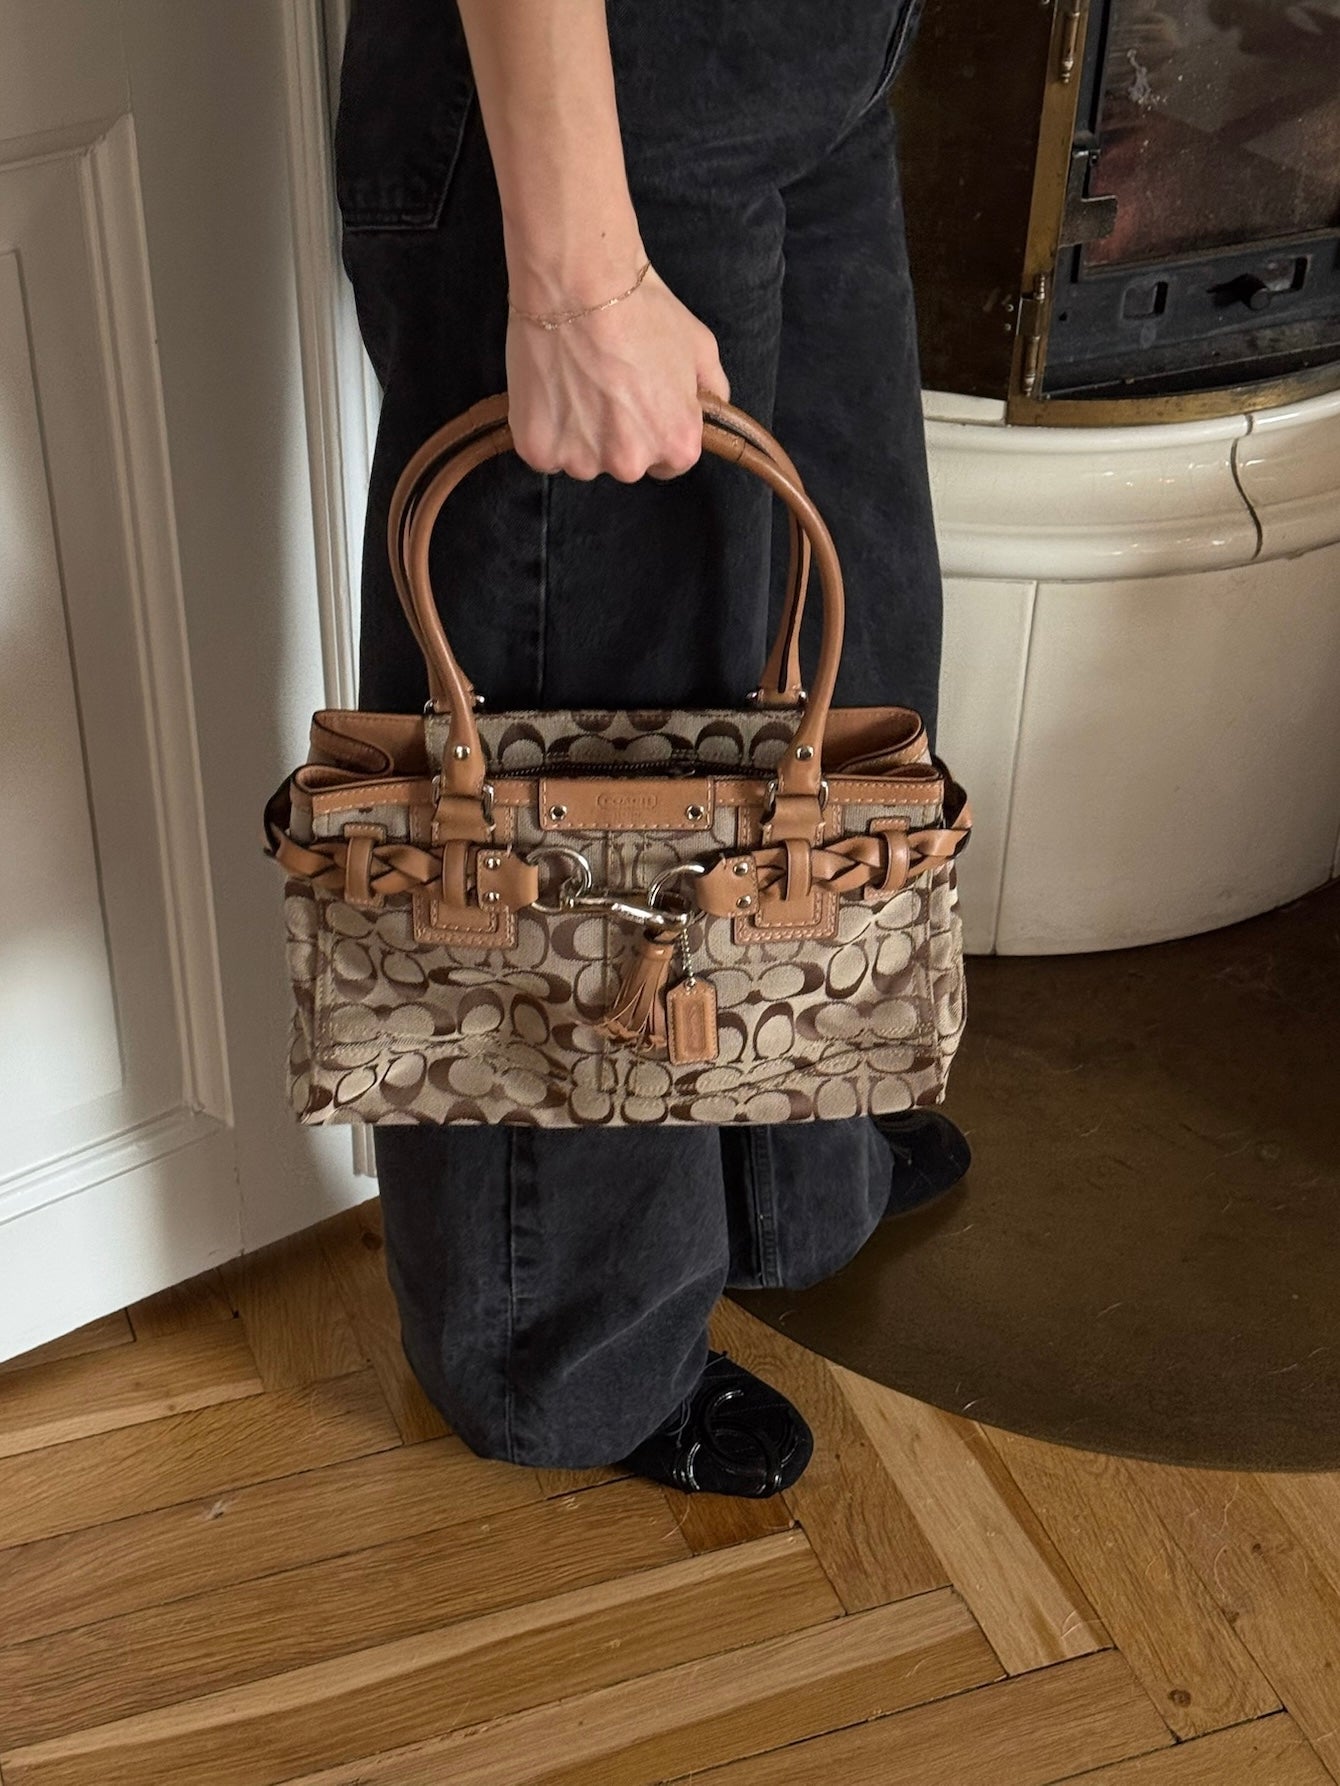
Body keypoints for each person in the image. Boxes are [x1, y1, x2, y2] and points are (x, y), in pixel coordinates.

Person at [334, 0, 970, 1498]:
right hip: (600, 96)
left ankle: (781, 1173)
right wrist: (571, 277)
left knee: (833, 661)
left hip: (815, 66)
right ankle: (556, 1353)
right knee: (572, 761)